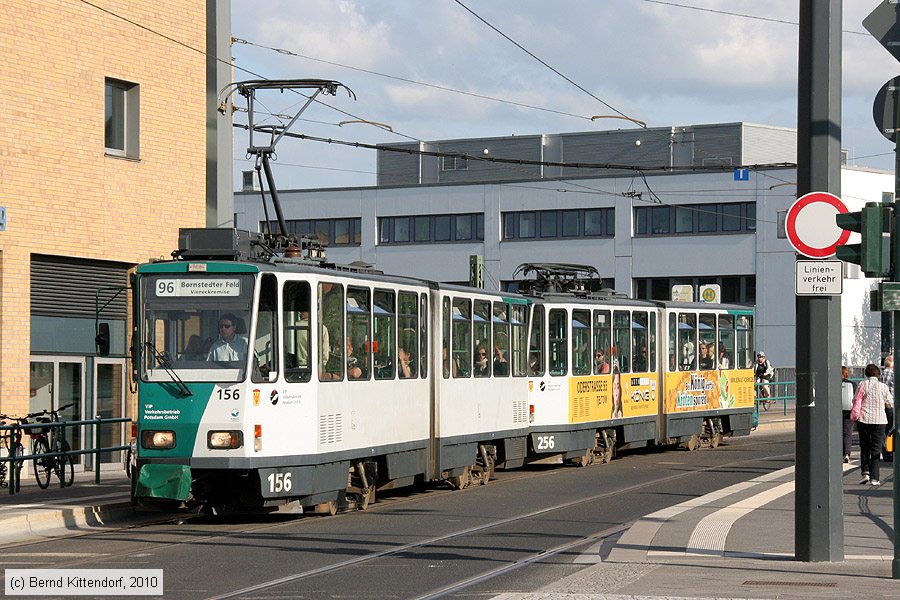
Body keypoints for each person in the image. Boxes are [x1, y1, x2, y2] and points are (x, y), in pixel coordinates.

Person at [854, 363, 891, 486]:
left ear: (866, 374)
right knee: (876, 449)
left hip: (863, 419)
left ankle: (865, 472)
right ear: (878, 374)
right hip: (880, 421)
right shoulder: (883, 387)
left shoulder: (862, 384)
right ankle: (875, 478)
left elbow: (855, 400)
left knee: (865, 447)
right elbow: (889, 403)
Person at [841, 366, 855, 463]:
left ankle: (838, 452)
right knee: (848, 433)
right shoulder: (852, 384)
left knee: (837, 433)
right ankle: (847, 453)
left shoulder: (832, 383)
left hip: (836, 411)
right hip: (849, 411)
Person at [882, 355, 895, 462]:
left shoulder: (880, 374)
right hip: (891, 405)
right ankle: (891, 451)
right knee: (891, 429)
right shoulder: (893, 373)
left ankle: (885, 453)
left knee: (884, 430)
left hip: (882, 405)